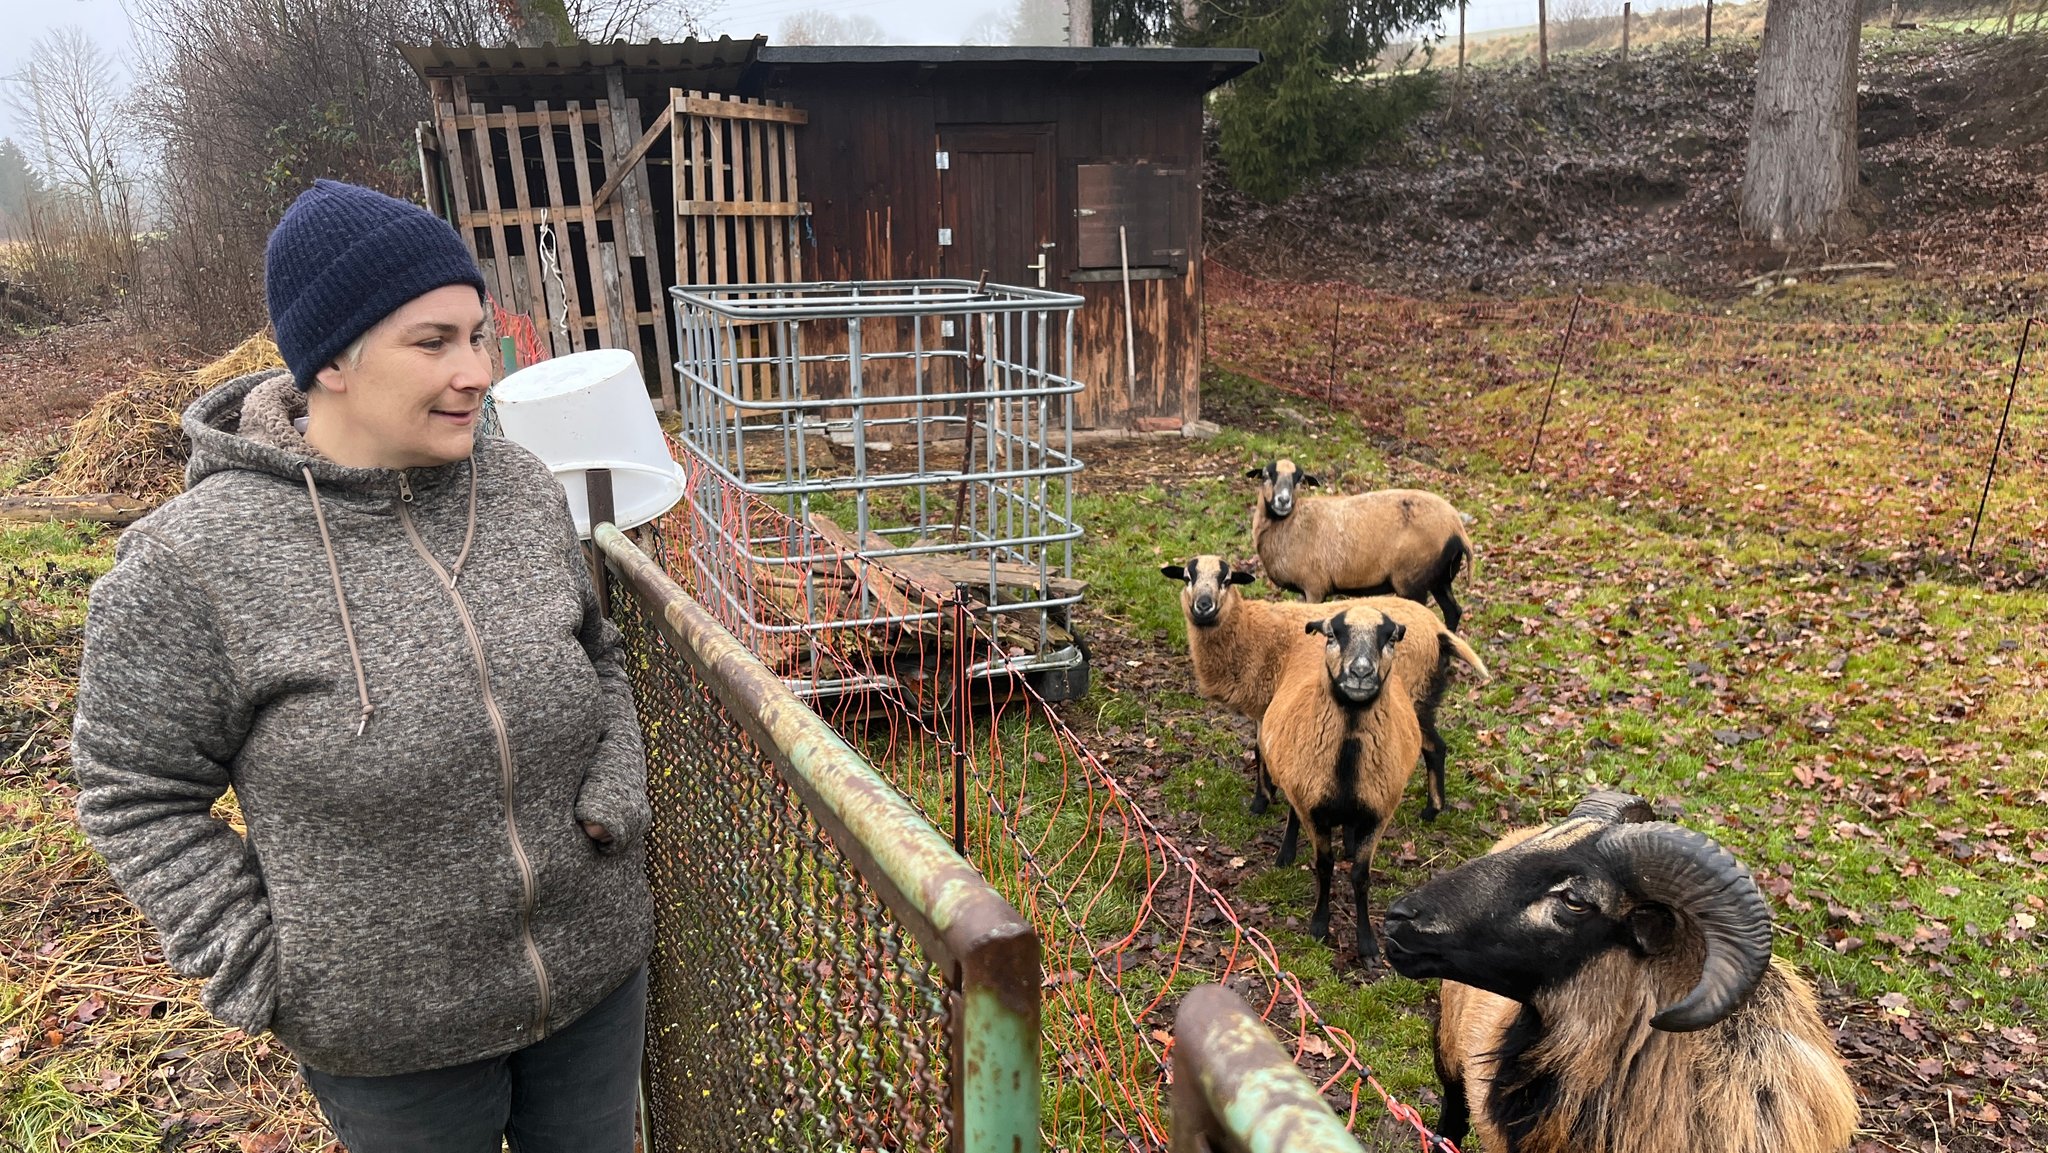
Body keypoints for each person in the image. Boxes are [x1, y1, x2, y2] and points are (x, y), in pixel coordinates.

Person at [70, 179, 654, 1152]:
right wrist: (265, 966)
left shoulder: (516, 487)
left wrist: (617, 786)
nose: (476, 371)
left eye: (477, 336)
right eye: (433, 342)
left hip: (594, 981)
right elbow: (133, 788)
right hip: (394, 1049)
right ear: (329, 359)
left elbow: (596, 649)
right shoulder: (197, 560)